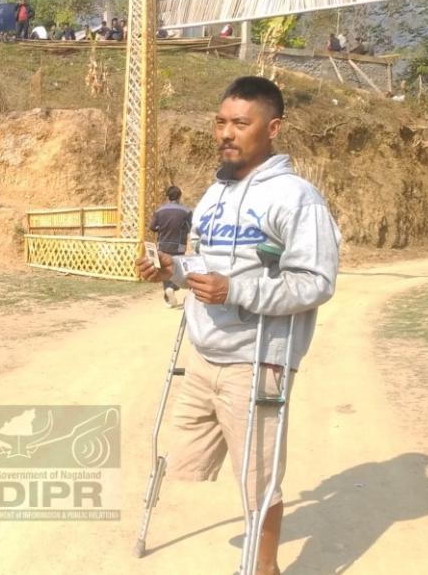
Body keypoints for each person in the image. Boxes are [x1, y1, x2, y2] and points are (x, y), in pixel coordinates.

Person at [136, 76, 341, 575]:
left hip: (258, 359)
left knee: (259, 478)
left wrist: (238, 290)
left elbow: (317, 281)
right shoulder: (213, 195)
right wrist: (173, 269)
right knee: (177, 453)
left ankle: (264, 569)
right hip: (205, 353)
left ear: (272, 128)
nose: (226, 133)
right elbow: (203, 263)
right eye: (220, 122)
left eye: (240, 124)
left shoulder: (296, 198)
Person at [149, 184, 193, 308]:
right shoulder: (186, 211)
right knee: (177, 267)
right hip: (179, 245)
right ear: (179, 197)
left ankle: (168, 292)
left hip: (163, 244)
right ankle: (173, 287)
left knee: (165, 269)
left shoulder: (159, 211)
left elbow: (152, 227)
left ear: (167, 197)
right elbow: (191, 227)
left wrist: (160, 229)